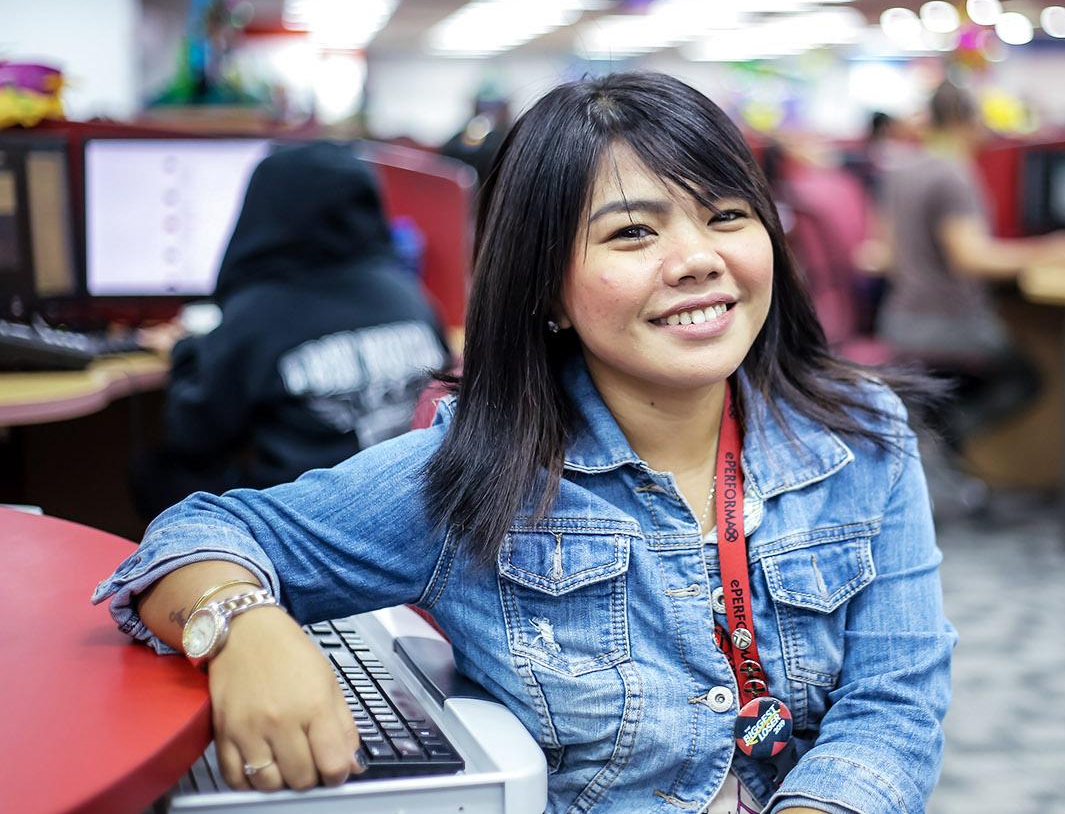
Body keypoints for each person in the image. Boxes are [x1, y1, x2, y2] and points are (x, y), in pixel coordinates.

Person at [95, 72, 958, 813]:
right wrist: (244, 627)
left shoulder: (862, 437)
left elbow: (893, 707)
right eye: (634, 231)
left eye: (726, 215)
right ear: (547, 288)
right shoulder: (479, 470)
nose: (697, 258)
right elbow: (195, 535)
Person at [130, 141, 451, 520]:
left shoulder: (258, 313)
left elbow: (195, 432)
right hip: (409, 506)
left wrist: (187, 352)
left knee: (156, 472)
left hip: (303, 520)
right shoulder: (410, 296)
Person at [875, 81, 1065, 469]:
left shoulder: (901, 171)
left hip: (900, 319)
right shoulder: (953, 174)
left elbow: (885, 254)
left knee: (956, 389)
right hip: (949, 322)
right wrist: (1051, 250)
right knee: (1025, 379)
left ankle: (937, 442)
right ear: (964, 121)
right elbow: (971, 258)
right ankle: (943, 441)